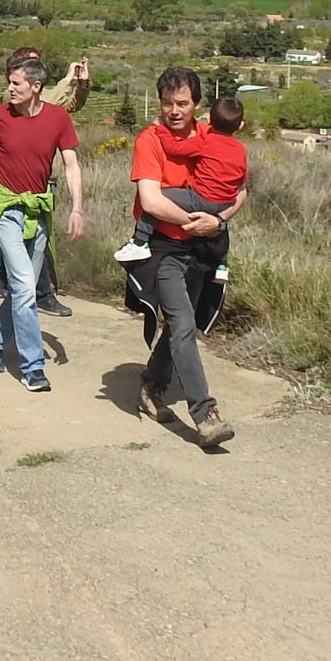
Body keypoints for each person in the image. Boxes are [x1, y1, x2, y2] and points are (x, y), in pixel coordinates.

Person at [128, 68, 242, 445]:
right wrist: (198, 223)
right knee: (180, 324)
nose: (174, 111)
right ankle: (206, 414)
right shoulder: (150, 141)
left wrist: (217, 220)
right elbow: (151, 200)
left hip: (200, 247)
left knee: (183, 323)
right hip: (163, 248)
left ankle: (152, 385)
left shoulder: (214, 136)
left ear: (197, 105)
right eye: (167, 103)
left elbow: (241, 192)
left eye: (182, 104)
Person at [0, 57, 83, 393]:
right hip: (5, 210)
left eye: (16, 83)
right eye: (9, 82)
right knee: (26, 289)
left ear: (36, 87)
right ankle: (33, 367)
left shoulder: (58, 118)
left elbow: (71, 165)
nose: (10, 88)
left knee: (20, 291)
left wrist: (77, 208)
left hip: (39, 211)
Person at [0, 47, 92, 317]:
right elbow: (50, 102)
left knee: (39, 245)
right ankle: (37, 294)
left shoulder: (46, 103)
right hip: (15, 189)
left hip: (44, 184)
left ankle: (27, 294)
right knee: (24, 246)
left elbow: (72, 105)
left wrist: (81, 83)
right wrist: (67, 80)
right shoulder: (10, 99)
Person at [117, 96, 246, 262]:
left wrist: (162, 129)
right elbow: (241, 178)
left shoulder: (206, 140)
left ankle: (139, 242)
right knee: (218, 226)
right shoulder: (240, 149)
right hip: (226, 202)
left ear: (208, 119)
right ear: (241, 126)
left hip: (202, 199)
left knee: (158, 198)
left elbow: (174, 148)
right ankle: (221, 264)